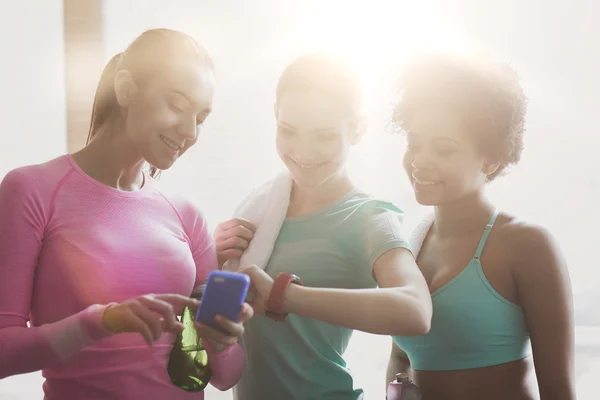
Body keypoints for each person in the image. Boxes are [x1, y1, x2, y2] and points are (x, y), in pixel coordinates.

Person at [0, 28, 252, 399]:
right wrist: (102, 321)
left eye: (201, 117)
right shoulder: (31, 191)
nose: (190, 131)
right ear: (126, 88)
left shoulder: (186, 216)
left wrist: (221, 340)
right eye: (177, 105)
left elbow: (225, 376)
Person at [215, 54, 433, 400]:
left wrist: (287, 296)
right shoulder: (262, 210)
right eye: (288, 131)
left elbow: (416, 311)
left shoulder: (368, 217)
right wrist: (213, 257)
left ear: (358, 129)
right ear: (275, 116)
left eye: (325, 136)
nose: (304, 151)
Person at [386, 53, 575, 400]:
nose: (420, 160)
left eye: (443, 148)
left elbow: (559, 392)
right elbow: (399, 362)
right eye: (414, 142)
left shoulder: (526, 246)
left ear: (491, 159)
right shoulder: (410, 244)